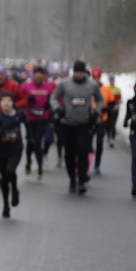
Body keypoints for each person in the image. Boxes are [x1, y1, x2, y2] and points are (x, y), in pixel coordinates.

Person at [50, 60, 102, 194]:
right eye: (76, 72)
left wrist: (96, 112)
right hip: (68, 124)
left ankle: (82, 181)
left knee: (83, 152)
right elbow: (53, 98)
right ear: (73, 72)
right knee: (70, 154)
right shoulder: (65, 84)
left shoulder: (92, 85)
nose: (79, 74)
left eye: (81, 72)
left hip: (84, 124)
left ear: (85, 72)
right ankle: (72, 179)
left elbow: (100, 99)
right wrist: (58, 109)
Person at [0, 91, 27, 218]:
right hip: (2, 151)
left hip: (16, 149)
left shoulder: (19, 115)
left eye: (9, 101)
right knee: (4, 179)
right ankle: (6, 205)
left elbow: (27, 124)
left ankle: (15, 189)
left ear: (13, 103)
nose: (6, 103)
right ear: (0, 104)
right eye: (4, 101)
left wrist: (31, 137)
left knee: (11, 171)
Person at [19, 66, 56, 179]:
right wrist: (27, 101)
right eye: (37, 74)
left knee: (38, 142)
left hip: (42, 118)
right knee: (30, 142)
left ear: (44, 76)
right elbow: (19, 99)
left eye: (41, 74)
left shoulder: (49, 86)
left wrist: (49, 105)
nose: (39, 76)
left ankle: (39, 168)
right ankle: (29, 160)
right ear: (33, 75)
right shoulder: (25, 86)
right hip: (29, 119)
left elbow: (54, 99)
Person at [92, 67, 114, 174]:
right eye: (94, 77)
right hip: (90, 120)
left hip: (102, 119)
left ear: (100, 77)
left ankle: (97, 164)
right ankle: (86, 162)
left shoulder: (107, 89)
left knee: (99, 142)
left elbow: (111, 104)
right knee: (87, 144)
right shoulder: (88, 88)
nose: (96, 79)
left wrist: (106, 109)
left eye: (97, 77)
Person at [124, 79, 136, 196]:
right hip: (135, 134)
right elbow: (128, 114)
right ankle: (134, 184)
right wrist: (126, 120)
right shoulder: (130, 102)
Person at [106, 73, 122, 147]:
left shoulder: (117, 89)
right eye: (110, 80)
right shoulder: (107, 88)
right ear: (109, 80)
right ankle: (108, 136)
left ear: (114, 80)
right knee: (108, 124)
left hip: (115, 109)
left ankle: (112, 139)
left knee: (113, 124)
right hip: (108, 109)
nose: (111, 81)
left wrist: (117, 105)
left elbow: (120, 100)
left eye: (113, 80)